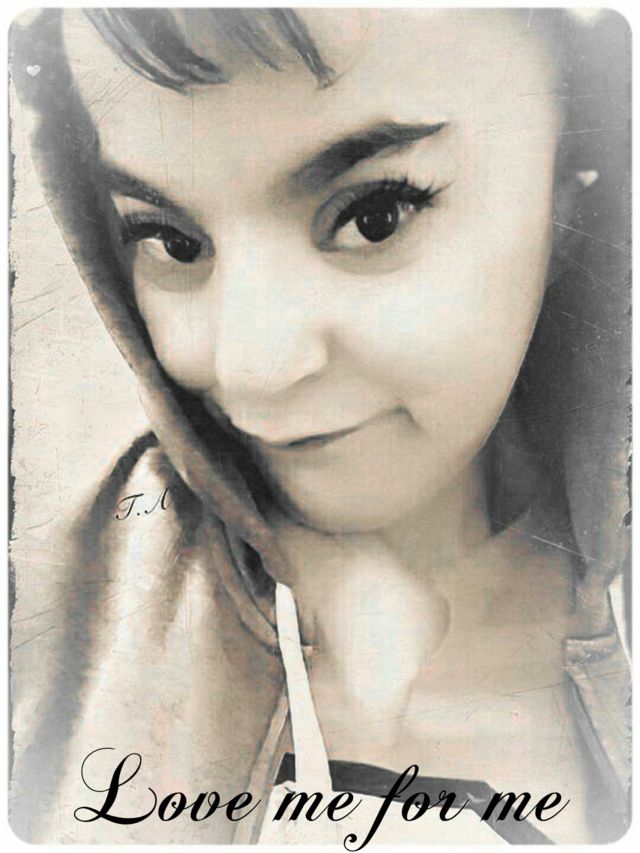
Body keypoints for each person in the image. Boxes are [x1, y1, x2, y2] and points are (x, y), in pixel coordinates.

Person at [9, 6, 630, 844]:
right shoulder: (38, 630)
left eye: (375, 216)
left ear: (572, 185)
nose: (252, 366)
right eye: (173, 242)